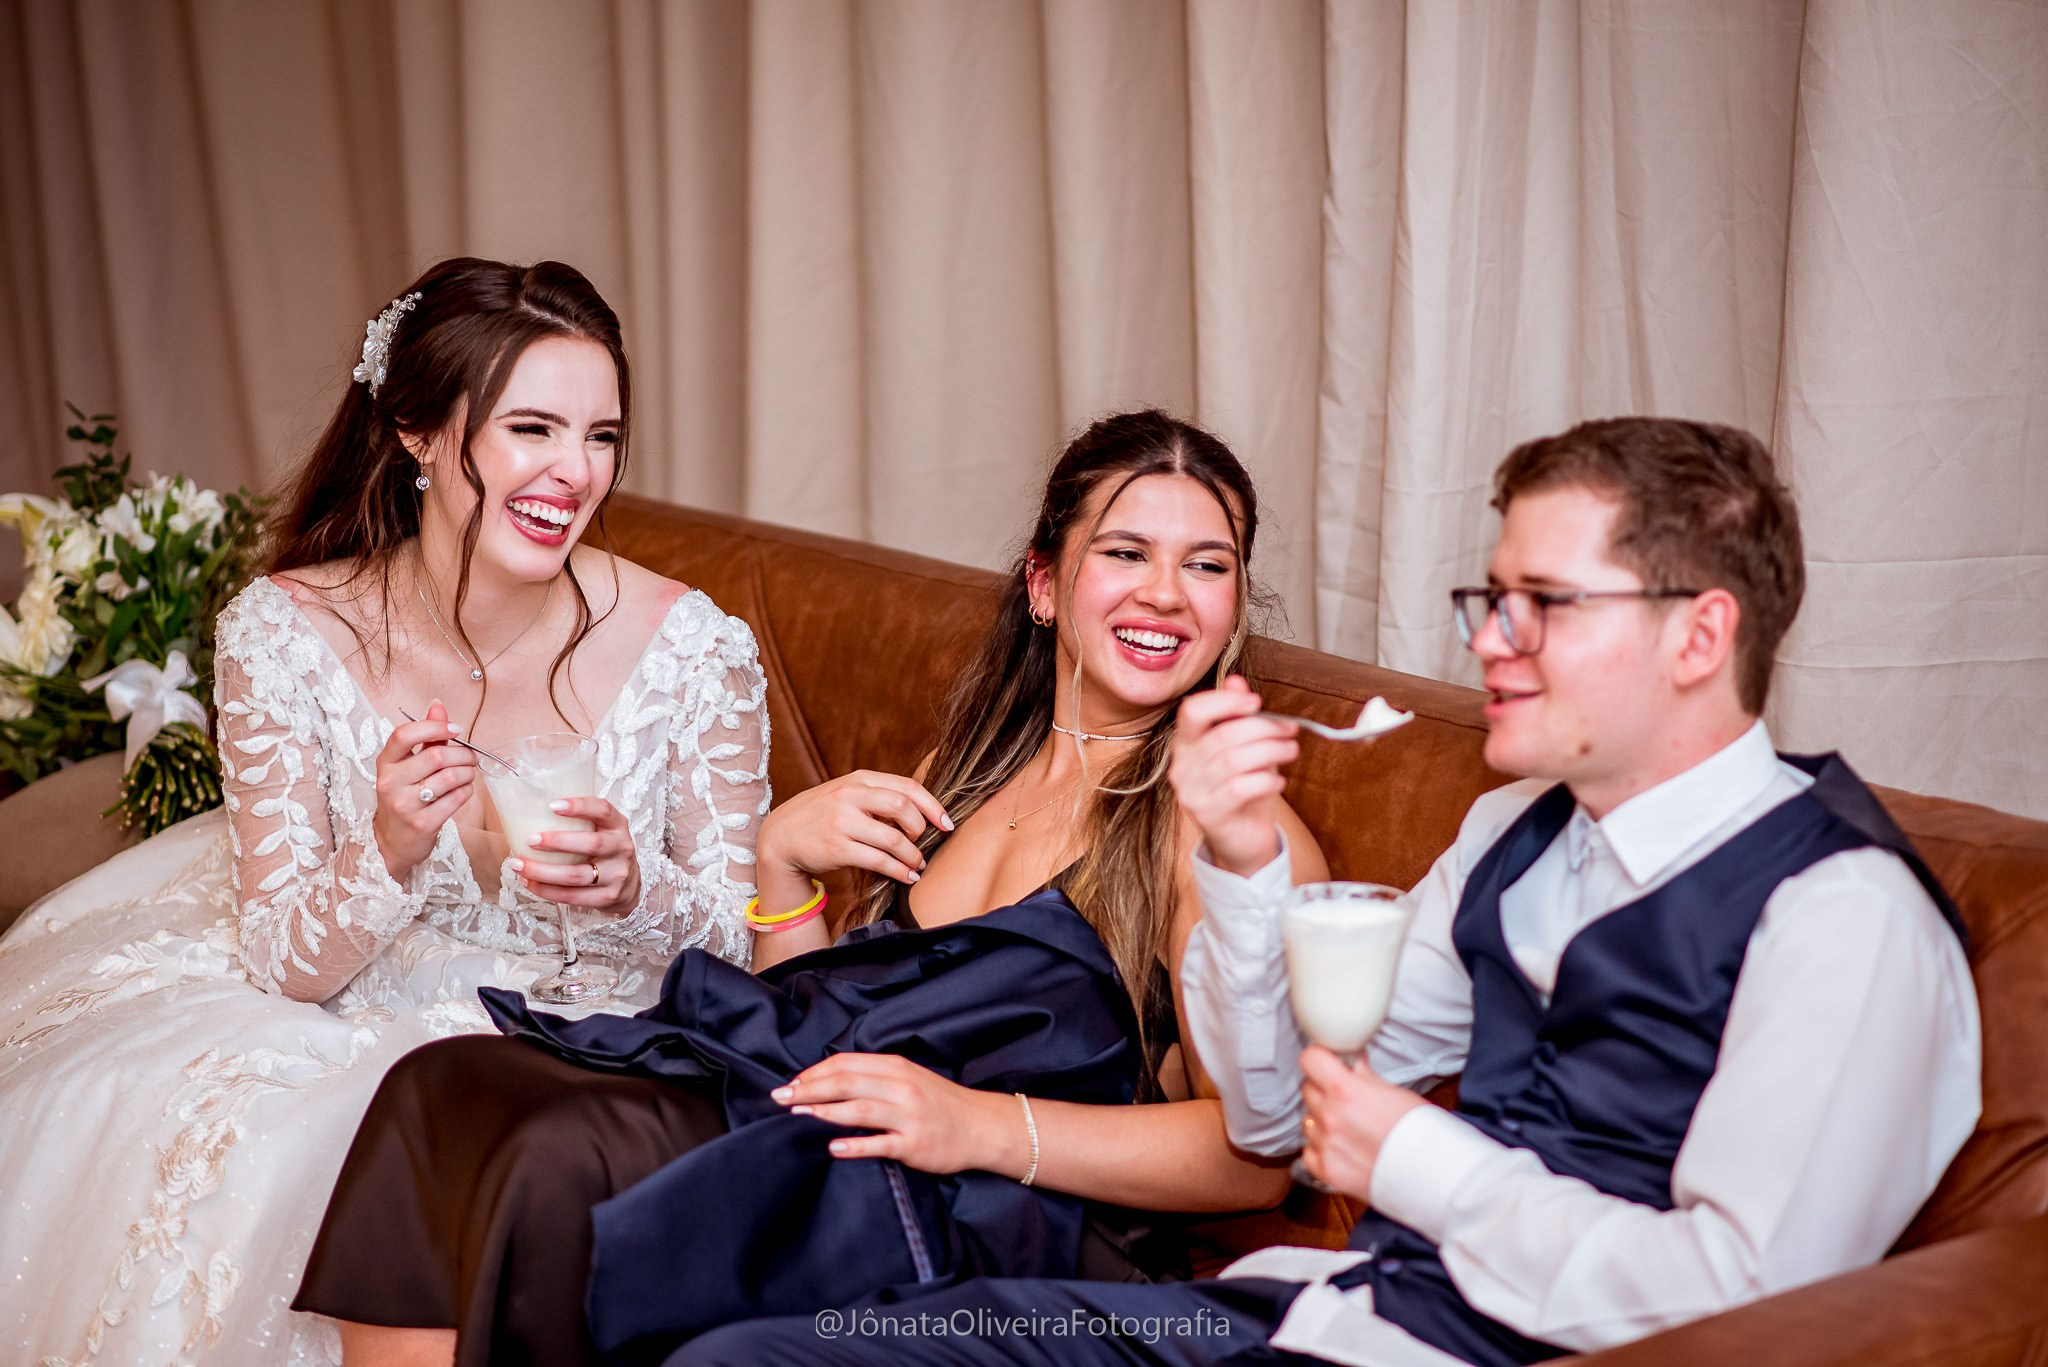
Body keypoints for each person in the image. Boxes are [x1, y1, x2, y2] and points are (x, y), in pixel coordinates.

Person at [675, 416, 1981, 1367]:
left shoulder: (1843, 913)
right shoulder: (1517, 834)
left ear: (1699, 632)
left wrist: (1416, 1158)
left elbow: (1745, 1301)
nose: (1488, 643)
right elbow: (1272, 1115)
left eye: (1542, 604)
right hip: (1324, 1308)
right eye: (1490, 598)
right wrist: (1243, 866)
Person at [294, 409, 1323, 1366]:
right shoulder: (966, 770)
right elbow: (822, 1008)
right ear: (1044, 584)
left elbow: (1252, 1158)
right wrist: (782, 864)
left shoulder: (1229, 826)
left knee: (565, 1155)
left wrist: (974, 1122)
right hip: (832, 1122)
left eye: (1207, 564)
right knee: (443, 1085)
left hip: (993, 1209)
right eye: (1126, 552)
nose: (1165, 592)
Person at [0, 257, 767, 1366]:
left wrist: (637, 886)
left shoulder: (690, 647)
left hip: (598, 1043)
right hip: (354, 1018)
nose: (574, 471)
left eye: (601, 435)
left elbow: (746, 936)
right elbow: (287, 962)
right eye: (531, 428)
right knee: (205, 1149)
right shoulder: (286, 632)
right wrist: (389, 845)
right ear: (418, 431)